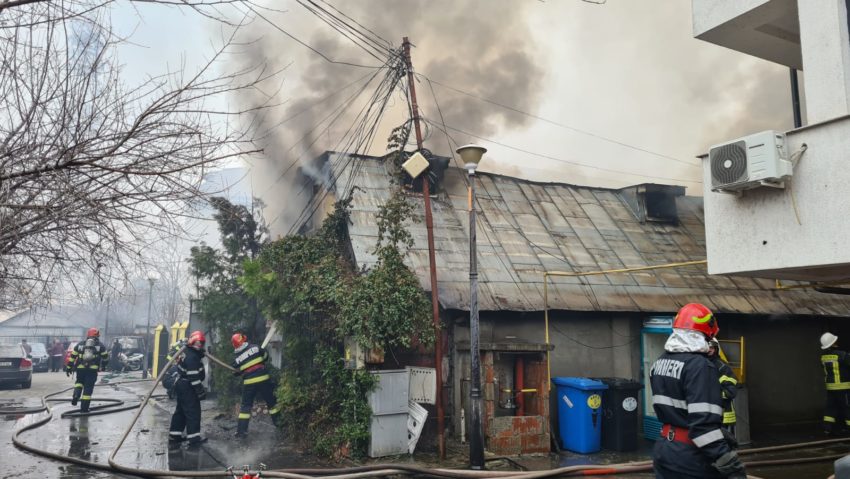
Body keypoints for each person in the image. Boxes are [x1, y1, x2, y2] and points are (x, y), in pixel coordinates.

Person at [650, 303, 746, 479]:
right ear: (704, 334)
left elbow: (678, 410)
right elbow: (703, 427)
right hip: (691, 456)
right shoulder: (701, 366)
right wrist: (729, 463)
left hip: (664, 448)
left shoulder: (659, 362)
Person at [230, 333, 281, 438]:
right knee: (272, 403)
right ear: (243, 340)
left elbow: (235, 372)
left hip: (249, 383)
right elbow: (266, 357)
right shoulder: (256, 347)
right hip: (263, 380)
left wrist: (240, 371)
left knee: (246, 407)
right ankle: (280, 424)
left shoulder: (236, 359)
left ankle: (241, 432)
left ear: (235, 345)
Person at [168, 330, 207, 447]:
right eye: (199, 343)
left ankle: (175, 436)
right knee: (193, 412)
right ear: (194, 342)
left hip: (182, 385)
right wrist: (200, 390)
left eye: (202, 343)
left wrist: (201, 353)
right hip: (188, 386)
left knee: (181, 411)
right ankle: (194, 440)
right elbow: (193, 376)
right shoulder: (192, 356)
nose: (201, 345)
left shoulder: (188, 352)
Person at [65, 328, 109, 412]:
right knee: (88, 388)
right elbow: (105, 358)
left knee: (79, 383)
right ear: (97, 336)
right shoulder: (100, 346)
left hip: (80, 369)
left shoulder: (80, 344)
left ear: (88, 335)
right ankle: (84, 408)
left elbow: (73, 356)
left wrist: (69, 367)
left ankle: (76, 395)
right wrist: (103, 366)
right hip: (92, 370)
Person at [820, 332, 850, 435]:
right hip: (843, 387)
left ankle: (827, 428)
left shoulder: (823, 357)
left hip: (830, 388)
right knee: (847, 407)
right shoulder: (842, 355)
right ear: (833, 343)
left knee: (830, 408)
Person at [708, 339, 738, 436]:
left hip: (722, 415)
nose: (709, 350)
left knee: (723, 443)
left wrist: (713, 394)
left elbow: (731, 391)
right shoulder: (699, 364)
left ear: (716, 349)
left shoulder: (722, 366)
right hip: (706, 413)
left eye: (711, 347)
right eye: (707, 347)